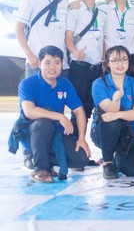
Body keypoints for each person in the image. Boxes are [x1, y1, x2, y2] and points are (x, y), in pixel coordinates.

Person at [13, 46, 90, 182]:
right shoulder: (28, 83)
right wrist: (59, 116)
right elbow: (29, 112)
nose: (52, 67)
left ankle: (44, 157)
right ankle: (40, 168)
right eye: (47, 62)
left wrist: (81, 138)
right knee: (44, 123)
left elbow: (79, 110)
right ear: (39, 63)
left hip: (56, 133)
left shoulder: (65, 84)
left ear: (62, 65)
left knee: (80, 159)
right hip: (33, 132)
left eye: (57, 62)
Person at [91, 46, 134, 179]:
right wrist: (116, 99)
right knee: (112, 122)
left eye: (124, 59)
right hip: (105, 131)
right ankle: (107, 162)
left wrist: (118, 114)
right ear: (108, 63)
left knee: (131, 171)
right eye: (115, 60)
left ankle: (118, 156)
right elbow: (109, 113)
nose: (120, 64)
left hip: (129, 132)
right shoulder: (99, 84)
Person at [16, 0, 69, 77]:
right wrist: (29, 55)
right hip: (37, 62)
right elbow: (19, 29)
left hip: (60, 64)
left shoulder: (65, 1)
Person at [65, 0, 107, 121]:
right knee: (78, 111)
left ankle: (89, 136)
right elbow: (68, 38)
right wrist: (75, 52)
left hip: (97, 69)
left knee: (93, 109)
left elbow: (103, 40)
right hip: (79, 67)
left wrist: (104, 61)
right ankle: (77, 136)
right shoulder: (74, 10)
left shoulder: (102, 13)